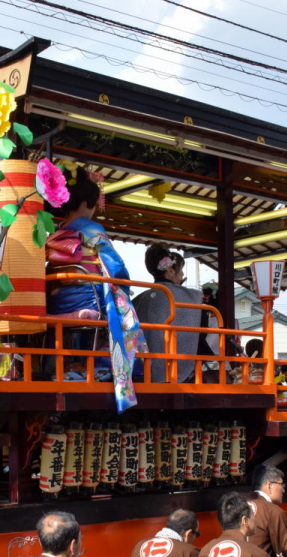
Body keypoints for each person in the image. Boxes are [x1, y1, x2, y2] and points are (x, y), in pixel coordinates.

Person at [43, 164, 146, 412]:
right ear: (86, 204)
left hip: (58, 303)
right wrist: (124, 284)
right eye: (92, 206)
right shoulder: (91, 229)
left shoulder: (55, 234)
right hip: (90, 302)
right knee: (126, 314)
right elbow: (116, 266)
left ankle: (71, 368)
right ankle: (118, 371)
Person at [132, 244, 216, 384]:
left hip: (144, 369)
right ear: (170, 271)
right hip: (177, 367)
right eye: (181, 269)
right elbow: (201, 332)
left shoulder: (140, 299)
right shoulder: (191, 297)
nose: (182, 274)